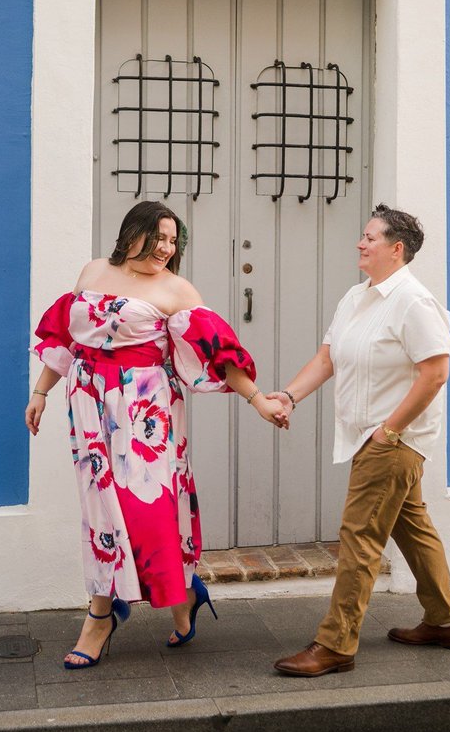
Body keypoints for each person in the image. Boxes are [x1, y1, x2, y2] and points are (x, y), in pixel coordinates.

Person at [25, 201, 283, 669]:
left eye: (172, 241)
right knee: (102, 512)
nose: (166, 248)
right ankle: (114, 612)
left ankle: (166, 599)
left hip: (144, 411)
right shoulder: (93, 271)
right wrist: (41, 392)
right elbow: (67, 337)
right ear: (131, 234)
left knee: (146, 511)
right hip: (87, 404)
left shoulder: (175, 290)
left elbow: (217, 351)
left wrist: (258, 399)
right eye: (158, 237)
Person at [268, 203, 450, 677]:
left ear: (396, 250)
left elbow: (435, 373)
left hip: (393, 439)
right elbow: (327, 358)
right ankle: (444, 620)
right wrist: (290, 395)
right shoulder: (357, 298)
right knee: (411, 527)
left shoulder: (414, 302)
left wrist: (391, 430)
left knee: (359, 537)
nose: (361, 243)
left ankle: (336, 644)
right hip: (368, 436)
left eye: (370, 238)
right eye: (363, 236)